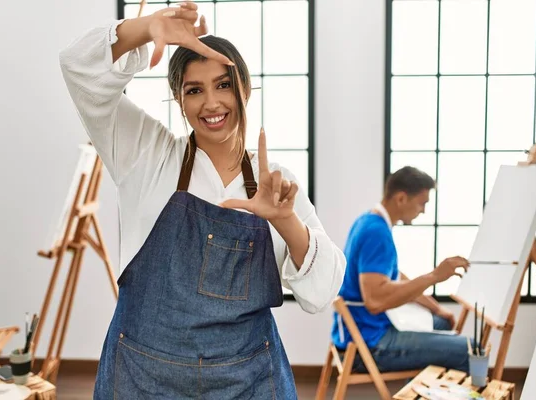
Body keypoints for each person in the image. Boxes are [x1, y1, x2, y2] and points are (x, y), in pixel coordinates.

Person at [59, 2, 345, 399]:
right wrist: (146, 27)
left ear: (245, 88)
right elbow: (78, 67)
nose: (211, 104)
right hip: (144, 377)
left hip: (247, 380)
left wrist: (285, 220)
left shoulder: (276, 182)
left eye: (223, 85)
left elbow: (322, 291)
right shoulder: (145, 153)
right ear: (180, 101)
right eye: (195, 90)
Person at [331, 166, 471, 373]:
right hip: (369, 343)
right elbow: (375, 301)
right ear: (401, 198)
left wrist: (436, 308)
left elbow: (395, 278)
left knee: (441, 322)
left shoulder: (368, 220)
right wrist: (434, 276)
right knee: (469, 349)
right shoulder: (376, 232)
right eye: (422, 203)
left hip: (360, 332)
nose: (423, 210)